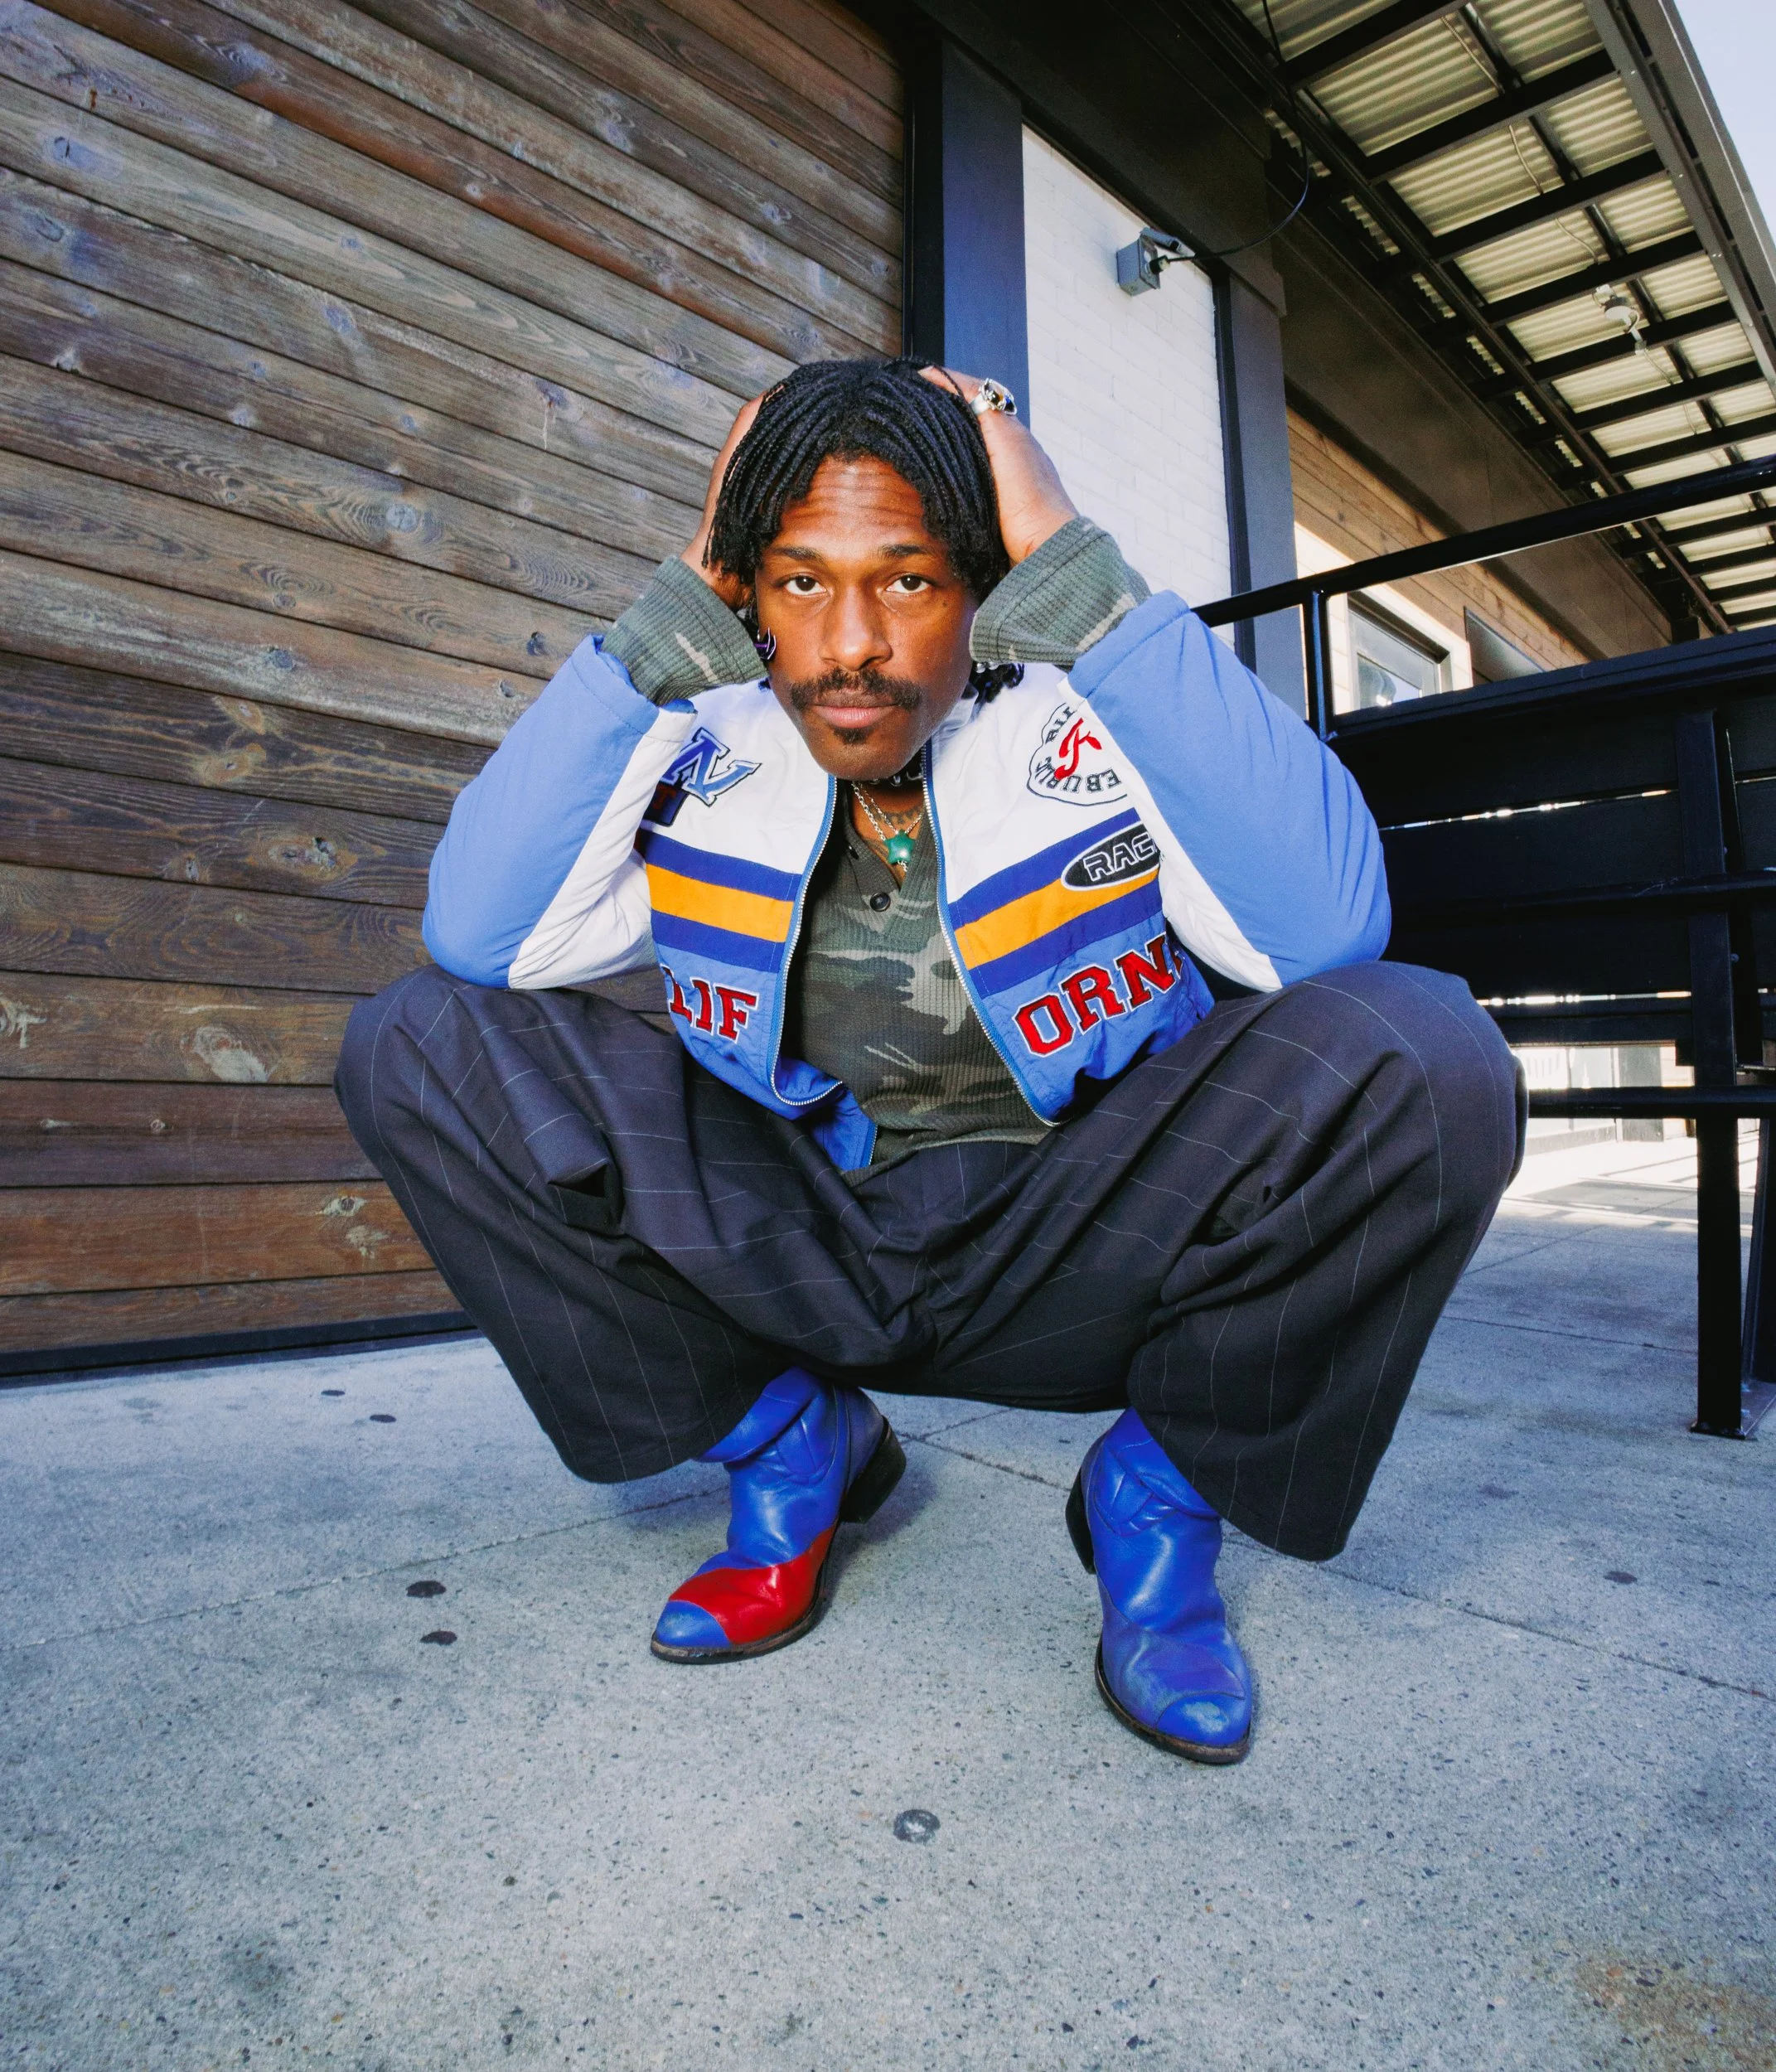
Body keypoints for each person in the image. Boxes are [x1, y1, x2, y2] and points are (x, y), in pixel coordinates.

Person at [336, 358, 1521, 1765]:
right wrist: (678, 608)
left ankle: (1157, 1503)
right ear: (746, 587)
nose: (850, 643)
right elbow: (480, 938)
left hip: (1080, 1237)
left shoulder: (1089, 714)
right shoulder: (696, 737)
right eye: (797, 581)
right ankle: (790, 1452)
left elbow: (1324, 935)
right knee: (417, 1038)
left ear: (981, 583)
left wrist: (1083, 579)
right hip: (806, 1230)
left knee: (1425, 1052)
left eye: (907, 581)